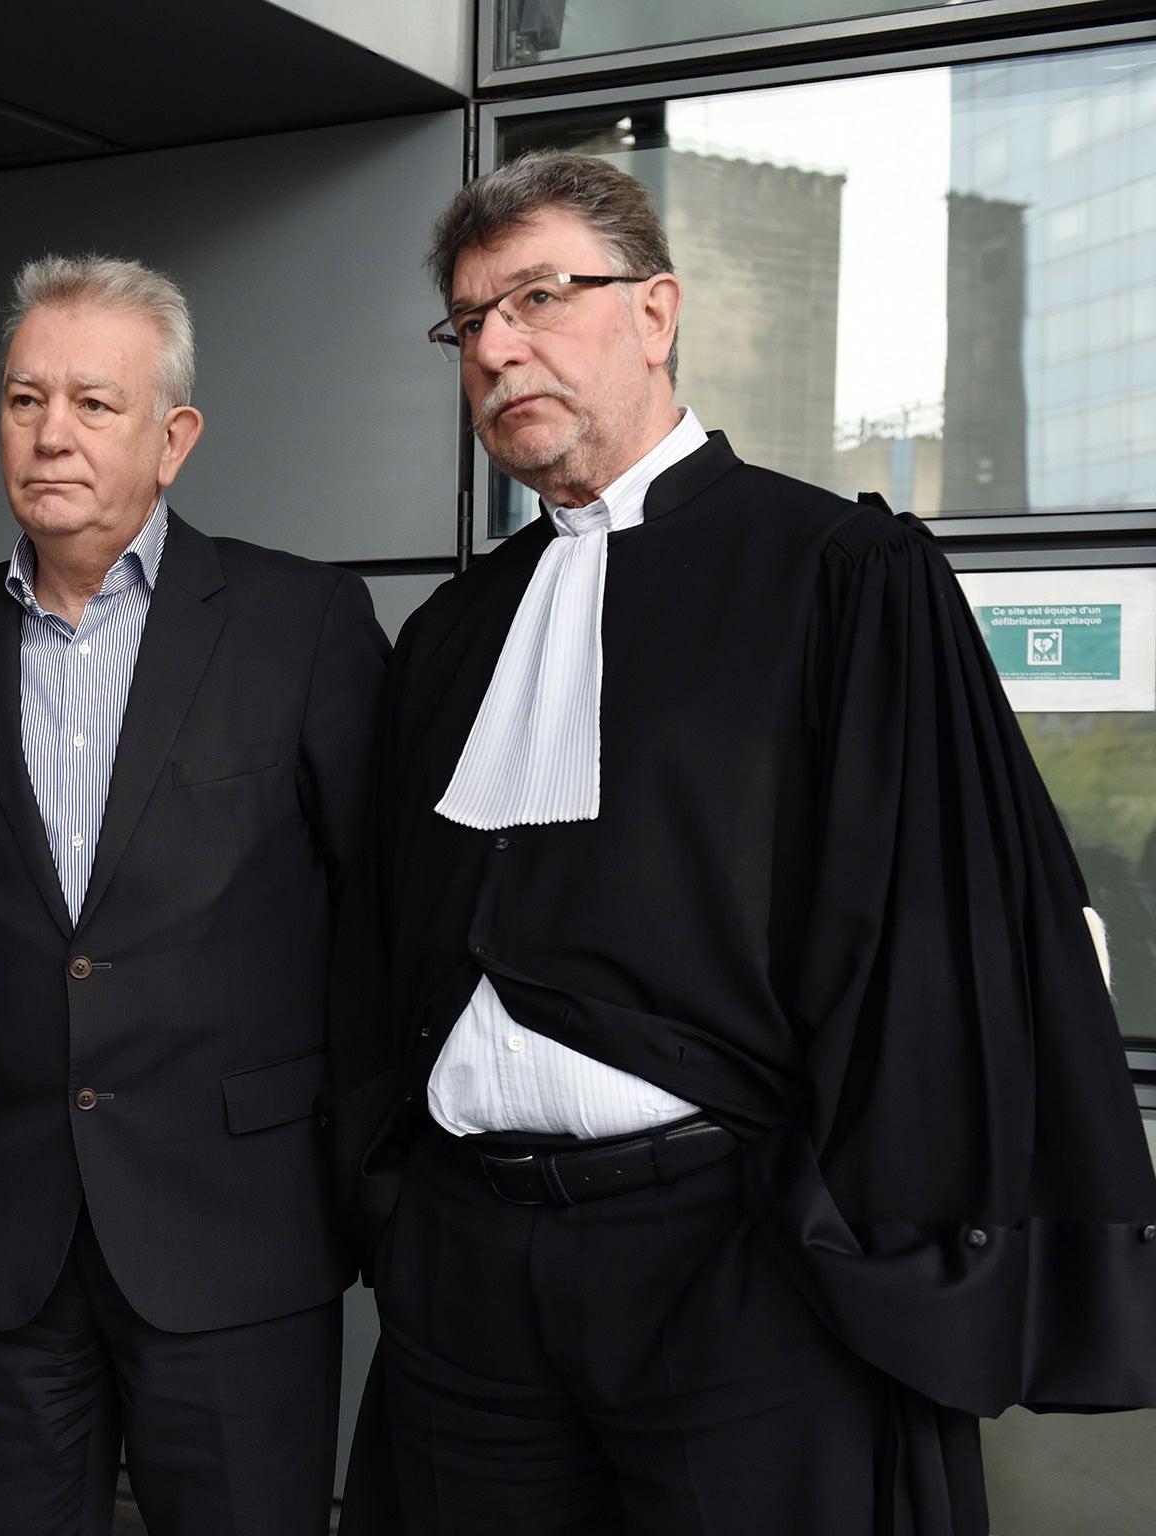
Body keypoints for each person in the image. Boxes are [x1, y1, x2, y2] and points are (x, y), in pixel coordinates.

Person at [334, 150, 1156, 1535]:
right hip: (466, 1273)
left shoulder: (840, 575)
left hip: (731, 1266)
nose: (500, 347)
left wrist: (824, 1229)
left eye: (541, 296)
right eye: (472, 320)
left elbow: (927, 939)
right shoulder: (450, 636)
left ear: (655, 313)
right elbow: (382, 944)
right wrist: (395, 1205)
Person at [0, 254, 386, 1534]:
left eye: (94, 404)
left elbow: (375, 911)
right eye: (22, 398)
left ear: (173, 438)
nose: (50, 433)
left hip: (235, 1230)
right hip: (9, 1237)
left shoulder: (300, 623)